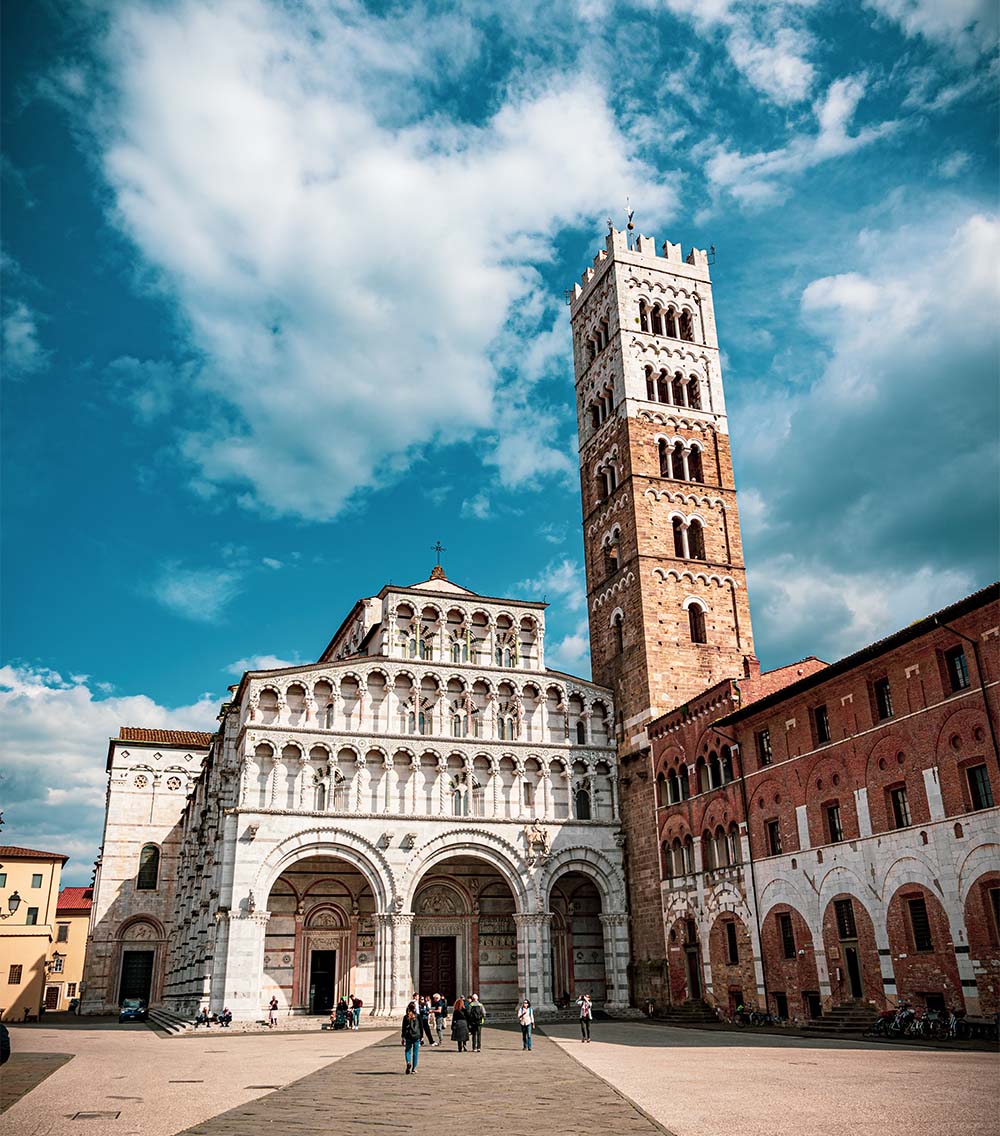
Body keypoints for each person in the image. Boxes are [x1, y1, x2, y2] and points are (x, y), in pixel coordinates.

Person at [401, 1005, 422, 1075]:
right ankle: (414, 1069)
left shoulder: (406, 1017)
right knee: (415, 1053)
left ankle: (408, 1062)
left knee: (407, 1051)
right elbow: (421, 1027)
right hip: (416, 1036)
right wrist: (422, 1037)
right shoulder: (418, 1016)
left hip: (408, 1036)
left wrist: (402, 1037)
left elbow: (403, 1028)